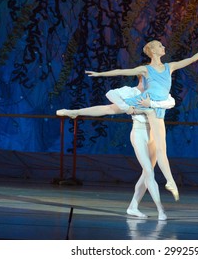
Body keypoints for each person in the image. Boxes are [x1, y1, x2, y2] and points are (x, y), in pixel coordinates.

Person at [84, 40, 198, 201]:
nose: (163, 47)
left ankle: (169, 182)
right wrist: (100, 74)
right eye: (160, 45)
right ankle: (170, 181)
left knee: (113, 111)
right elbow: (122, 71)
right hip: (148, 104)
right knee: (111, 110)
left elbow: (192, 59)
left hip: (157, 106)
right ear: (152, 50)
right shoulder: (146, 69)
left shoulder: (169, 67)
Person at [57, 76, 175, 220]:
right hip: (139, 134)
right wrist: (127, 107)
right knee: (149, 172)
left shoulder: (157, 93)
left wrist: (152, 103)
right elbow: (110, 99)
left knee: (146, 174)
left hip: (155, 135)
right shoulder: (130, 92)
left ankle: (133, 206)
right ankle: (160, 210)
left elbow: (171, 102)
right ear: (142, 78)